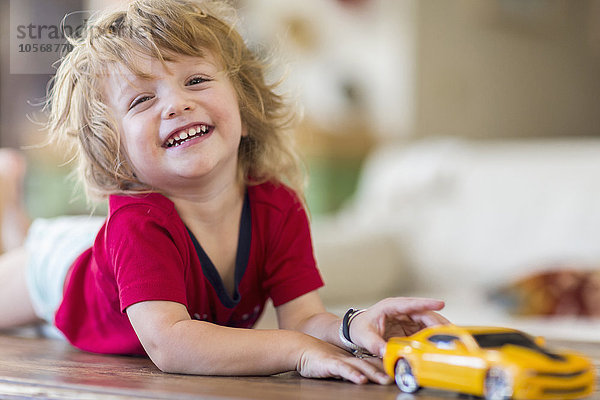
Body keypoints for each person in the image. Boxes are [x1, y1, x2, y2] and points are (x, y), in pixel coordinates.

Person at [0, 0, 448, 384]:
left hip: (111, 256)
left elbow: (306, 318)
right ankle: (10, 210)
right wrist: (297, 351)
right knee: (24, 260)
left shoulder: (277, 206)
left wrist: (355, 327)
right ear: (116, 153)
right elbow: (171, 344)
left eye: (195, 80)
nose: (176, 103)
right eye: (141, 100)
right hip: (58, 273)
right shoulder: (137, 225)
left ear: (245, 109)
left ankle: (10, 214)